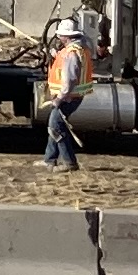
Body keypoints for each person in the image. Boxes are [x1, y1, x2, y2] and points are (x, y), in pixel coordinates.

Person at [38, 17, 91, 170]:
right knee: (54, 126)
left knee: (55, 127)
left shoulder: (71, 54)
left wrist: (59, 98)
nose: (59, 37)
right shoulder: (77, 49)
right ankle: (49, 160)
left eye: (60, 35)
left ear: (67, 37)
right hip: (72, 96)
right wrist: (54, 53)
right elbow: (65, 61)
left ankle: (69, 162)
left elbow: (70, 79)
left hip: (68, 97)